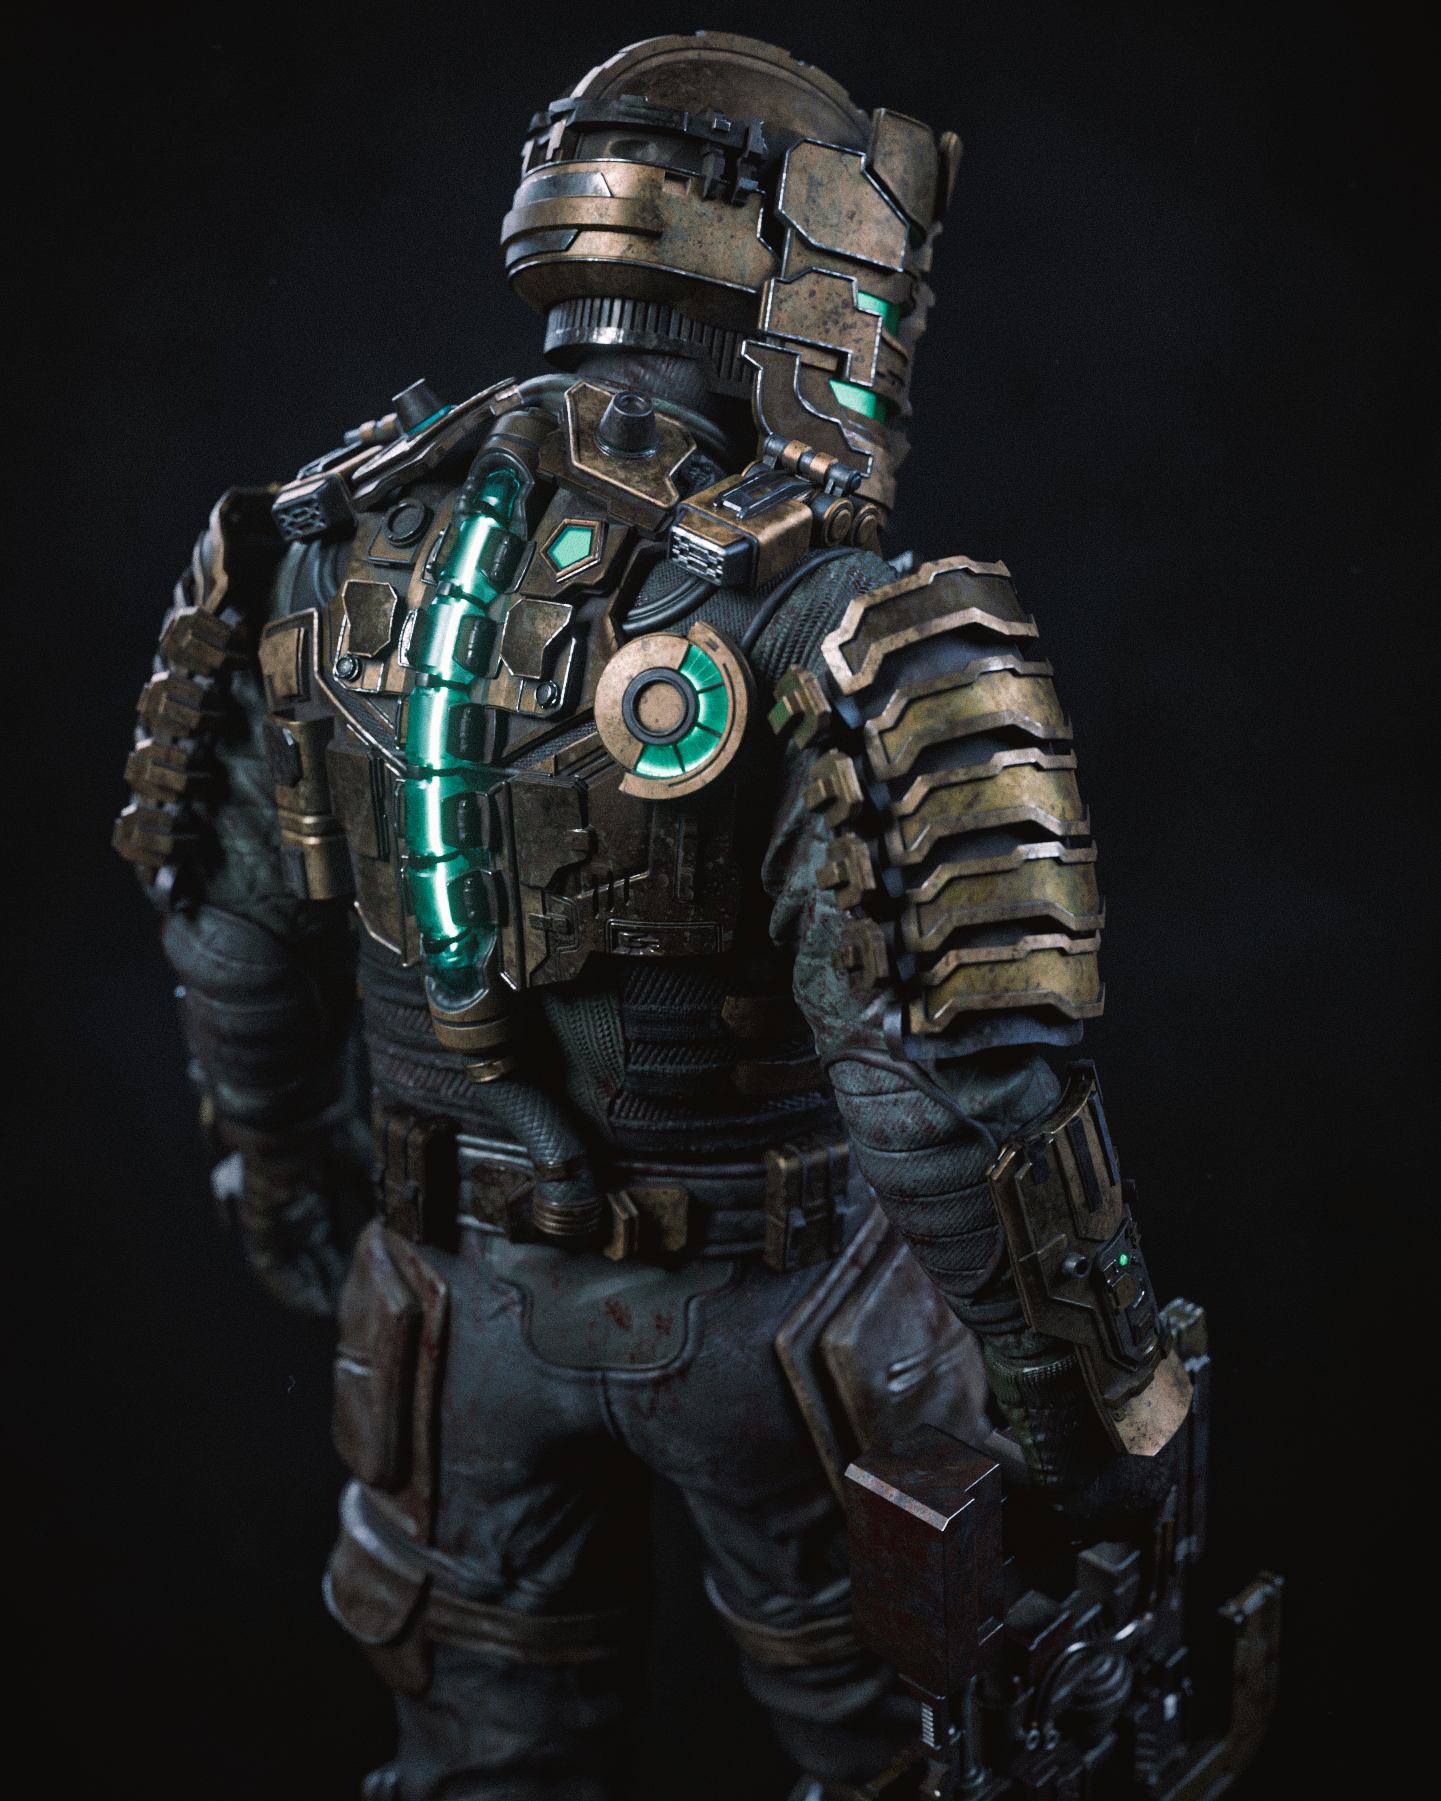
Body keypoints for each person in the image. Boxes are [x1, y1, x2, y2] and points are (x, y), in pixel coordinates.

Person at [114, 33, 1189, 1800]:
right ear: (814, 272)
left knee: (486, 1761)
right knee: (910, 1755)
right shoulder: (844, 617)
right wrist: (1092, 1424)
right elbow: (948, 1097)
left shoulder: (316, 544)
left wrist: (293, 1196)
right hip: (793, 1335)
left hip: (448, 1312)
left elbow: (223, 938)